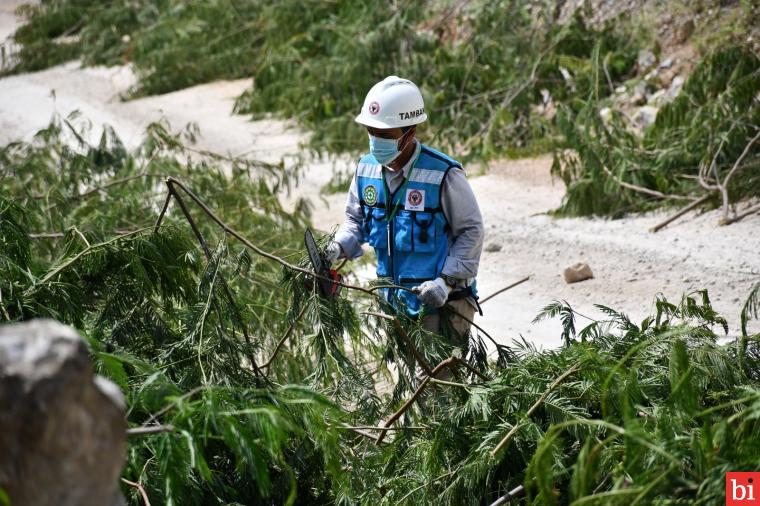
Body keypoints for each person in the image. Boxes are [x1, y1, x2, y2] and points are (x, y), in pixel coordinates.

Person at [326, 75, 484, 345]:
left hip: (442, 306)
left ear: (409, 133)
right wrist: (336, 248)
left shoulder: (443, 173)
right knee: (412, 386)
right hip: (395, 305)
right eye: (371, 132)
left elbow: (471, 231)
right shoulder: (366, 169)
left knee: (439, 386)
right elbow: (356, 221)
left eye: (385, 135)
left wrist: (445, 283)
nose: (375, 141)